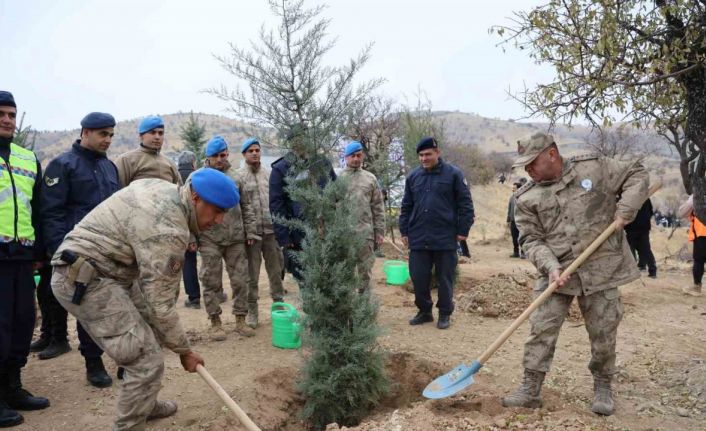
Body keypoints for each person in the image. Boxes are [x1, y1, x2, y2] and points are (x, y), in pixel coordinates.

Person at [50, 168, 237, 430]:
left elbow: (155, 303)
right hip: (86, 279)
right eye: (216, 211)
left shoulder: (164, 188)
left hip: (112, 272)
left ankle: (145, 403)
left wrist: (173, 341)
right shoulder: (169, 229)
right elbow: (161, 304)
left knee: (150, 335)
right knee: (144, 359)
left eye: (224, 213)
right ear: (195, 197)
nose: (218, 221)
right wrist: (185, 351)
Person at [502, 132, 648, 416]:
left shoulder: (593, 168)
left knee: (604, 331)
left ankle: (603, 386)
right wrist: (550, 266)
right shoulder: (526, 197)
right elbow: (530, 240)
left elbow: (636, 172)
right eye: (524, 166)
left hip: (601, 269)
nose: (528, 170)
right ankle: (530, 388)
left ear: (552, 154)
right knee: (541, 328)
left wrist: (626, 209)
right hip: (556, 271)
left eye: (532, 163)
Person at [39, 112, 120, 388]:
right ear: (85, 132)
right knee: (87, 309)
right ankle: (93, 363)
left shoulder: (110, 168)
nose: (107, 139)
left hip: (110, 252)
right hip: (77, 254)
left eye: (111, 134)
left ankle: (123, 360)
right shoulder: (63, 165)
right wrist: (61, 253)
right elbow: (51, 213)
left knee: (116, 307)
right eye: (102, 134)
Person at [0, 90, 50, 428]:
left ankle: (12, 387)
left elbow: (39, 208)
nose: (7, 120)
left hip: (22, 255)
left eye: (11, 115)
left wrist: (40, 251)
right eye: (1, 114)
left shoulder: (27, 158)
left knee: (22, 322)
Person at [399, 136, 474, 330]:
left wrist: (463, 230)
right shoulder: (413, 177)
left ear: (437, 153)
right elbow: (406, 206)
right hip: (419, 236)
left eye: (428, 154)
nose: (424, 159)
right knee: (419, 277)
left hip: (445, 236)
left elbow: (465, 204)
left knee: (445, 278)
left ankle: (444, 313)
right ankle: (424, 312)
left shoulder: (454, 174)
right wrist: (404, 230)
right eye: (421, 155)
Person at [196, 136, 258, 341]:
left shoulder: (236, 177)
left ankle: (241, 319)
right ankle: (215, 322)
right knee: (210, 280)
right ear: (209, 157)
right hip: (209, 238)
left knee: (240, 279)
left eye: (223, 155)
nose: (220, 159)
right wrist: (191, 236)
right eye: (216, 156)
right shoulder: (199, 178)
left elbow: (247, 206)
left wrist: (250, 231)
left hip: (235, 237)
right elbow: (190, 210)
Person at [269, 125, 336, 282]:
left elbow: (336, 192)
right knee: (306, 281)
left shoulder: (322, 163)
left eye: (303, 138)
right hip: (298, 236)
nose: (300, 143)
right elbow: (276, 206)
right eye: (295, 140)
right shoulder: (281, 169)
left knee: (331, 277)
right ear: (290, 143)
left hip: (326, 232)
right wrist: (284, 239)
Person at [236, 138, 285, 328]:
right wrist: (246, 232)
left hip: (271, 231)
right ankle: (252, 312)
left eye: (257, 150)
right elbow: (239, 207)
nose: (255, 153)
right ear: (244, 155)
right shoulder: (239, 177)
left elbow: (278, 201)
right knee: (251, 276)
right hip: (252, 236)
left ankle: (279, 308)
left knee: (276, 271)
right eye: (250, 151)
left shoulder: (270, 174)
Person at [339, 141, 385, 293]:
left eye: (359, 155)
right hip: (344, 235)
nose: (356, 159)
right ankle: (347, 306)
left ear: (363, 156)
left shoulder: (370, 179)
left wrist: (379, 231)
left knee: (365, 271)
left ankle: (363, 306)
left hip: (365, 234)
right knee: (345, 272)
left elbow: (377, 206)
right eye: (352, 156)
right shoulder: (337, 179)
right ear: (346, 158)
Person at [114, 115, 181, 187]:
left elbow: (180, 192)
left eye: (160, 133)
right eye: (152, 133)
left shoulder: (170, 163)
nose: (157, 137)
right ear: (141, 136)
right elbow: (117, 192)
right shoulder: (126, 160)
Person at [177, 151, 201, 309]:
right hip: (200, 227)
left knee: (188, 263)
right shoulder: (197, 178)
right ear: (193, 164)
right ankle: (216, 293)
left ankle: (193, 298)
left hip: (180, 228)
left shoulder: (173, 178)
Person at [679, 195, 705, 296]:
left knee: (699, 261)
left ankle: (696, 287)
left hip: (701, 233)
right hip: (701, 232)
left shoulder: (698, 194)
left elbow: (683, 212)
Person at [624, 198, 657, 278]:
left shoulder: (629, 197)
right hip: (644, 227)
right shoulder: (646, 198)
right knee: (646, 249)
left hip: (632, 227)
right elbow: (651, 212)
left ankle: (633, 270)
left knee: (631, 249)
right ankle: (652, 271)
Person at [507, 178, 527, 258]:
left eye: (514, 188)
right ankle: (516, 252)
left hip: (521, 221)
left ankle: (523, 253)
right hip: (513, 221)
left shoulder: (523, 197)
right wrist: (508, 220)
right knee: (514, 238)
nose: (512, 189)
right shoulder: (512, 197)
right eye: (512, 188)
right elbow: (509, 209)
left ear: (519, 189)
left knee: (522, 237)